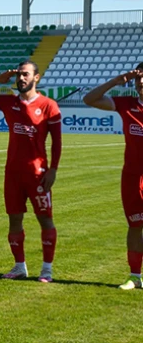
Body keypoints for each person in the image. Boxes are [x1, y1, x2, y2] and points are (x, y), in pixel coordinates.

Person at [0, 61, 61, 282]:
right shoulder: (8, 101)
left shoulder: (49, 105)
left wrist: (53, 170)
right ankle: (20, 267)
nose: (21, 78)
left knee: (45, 220)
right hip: (12, 173)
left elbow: (57, 142)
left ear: (36, 78)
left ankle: (47, 270)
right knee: (14, 220)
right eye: (19, 74)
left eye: (25, 74)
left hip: (38, 174)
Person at [83, 63, 143, 290]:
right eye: (138, 79)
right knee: (135, 225)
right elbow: (89, 99)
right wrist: (115, 82)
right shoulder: (127, 104)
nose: (141, 82)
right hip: (132, 177)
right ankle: (135, 276)